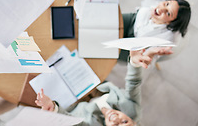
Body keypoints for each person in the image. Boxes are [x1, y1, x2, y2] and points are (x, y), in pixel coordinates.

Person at [35, 47, 173, 125]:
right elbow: (133, 83)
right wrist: (135, 63)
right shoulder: (133, 110)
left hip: (72, 102)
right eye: (125, 122)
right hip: (95, 87)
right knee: (75, 50)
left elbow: (71, 122)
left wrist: (53, 108)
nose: (117, 119)